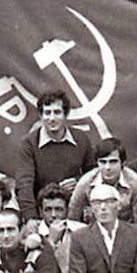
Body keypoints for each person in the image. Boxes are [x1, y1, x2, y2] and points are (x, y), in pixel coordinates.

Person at [15, 90, 96, 220]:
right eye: (47, 113)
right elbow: (24, 184)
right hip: (43, 213)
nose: (52, 119)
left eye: (57, 112)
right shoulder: (29, 144)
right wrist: (31, 219)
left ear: (66, 114)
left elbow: (93, 175)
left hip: (75, 211)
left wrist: (78, 182)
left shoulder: (81, 138)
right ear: (40, 116)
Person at [67, 137, 137, 225]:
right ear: (97, 163)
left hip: (125, 232)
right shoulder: (85, 183)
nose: (107, 167)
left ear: (123, 163)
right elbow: (72, 219)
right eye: (103, 162)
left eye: (113, 162)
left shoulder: (135, 183)